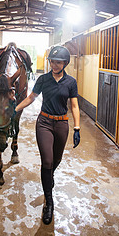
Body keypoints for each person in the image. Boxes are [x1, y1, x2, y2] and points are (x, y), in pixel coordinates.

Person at [15, 45, 80, 225]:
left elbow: (74, 106)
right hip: (44, 122)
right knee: (47, 161)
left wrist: (77, 128)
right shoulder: (43, 79)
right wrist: (15, 109)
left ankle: (48, 178)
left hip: (61, 124)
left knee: (56, 161)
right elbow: (31, 98)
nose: (55, 65)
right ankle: (49, 203)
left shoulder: (71, 82)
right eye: (52, 61)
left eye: (58, 62)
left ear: (65, 63)